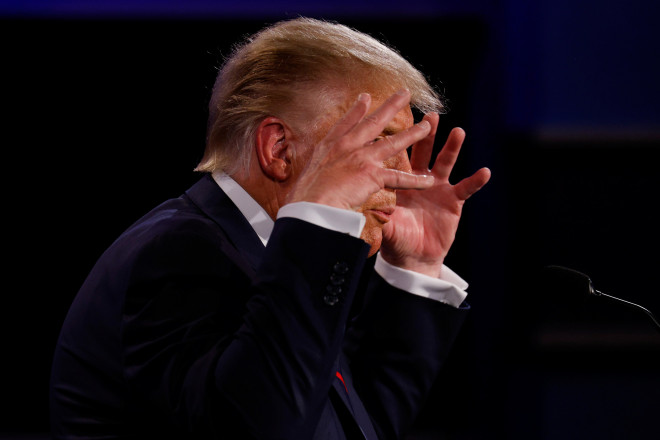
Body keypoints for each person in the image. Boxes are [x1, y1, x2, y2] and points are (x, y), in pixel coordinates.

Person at [49, 17, 491, 440]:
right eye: (379, 140)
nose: (405, 174)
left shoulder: (257, 252)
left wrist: (414, 268)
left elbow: (348, 426)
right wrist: (320, 220)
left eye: (405, 145)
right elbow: (259, 427)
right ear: (279, 149)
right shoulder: (179, 253)